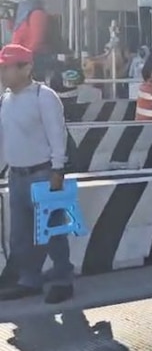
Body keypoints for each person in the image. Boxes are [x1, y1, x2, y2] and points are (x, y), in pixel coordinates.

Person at [0, 44, 75, 304]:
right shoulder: (6, 100)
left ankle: (63, 280)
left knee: (53, 231)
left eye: (7, 68)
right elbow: (5, 140)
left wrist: (58, 170)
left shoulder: (44, 97)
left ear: (26, 68)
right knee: (21, 235)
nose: (2, 73)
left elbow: (57, 135)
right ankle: (29, 280)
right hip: (17, 176)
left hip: (42, 174)